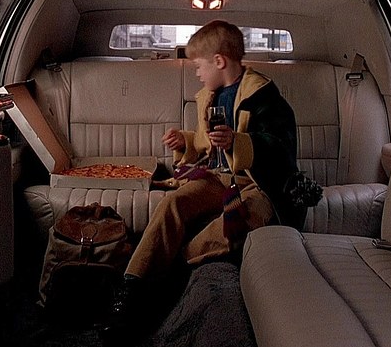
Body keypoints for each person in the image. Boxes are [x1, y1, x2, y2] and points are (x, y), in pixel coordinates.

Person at [102, 20, 300, 341]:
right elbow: (205, 144)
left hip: (258, 183)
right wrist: (185, 141)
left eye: (199, 65)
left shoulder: (264, 97)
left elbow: (281, 148)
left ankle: (171, 283)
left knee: (233, 222)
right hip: (219, 177)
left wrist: (238, 142)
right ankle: (131, 289)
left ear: (219, 61)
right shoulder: (211, 96)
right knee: (174, 203)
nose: (196, 72)